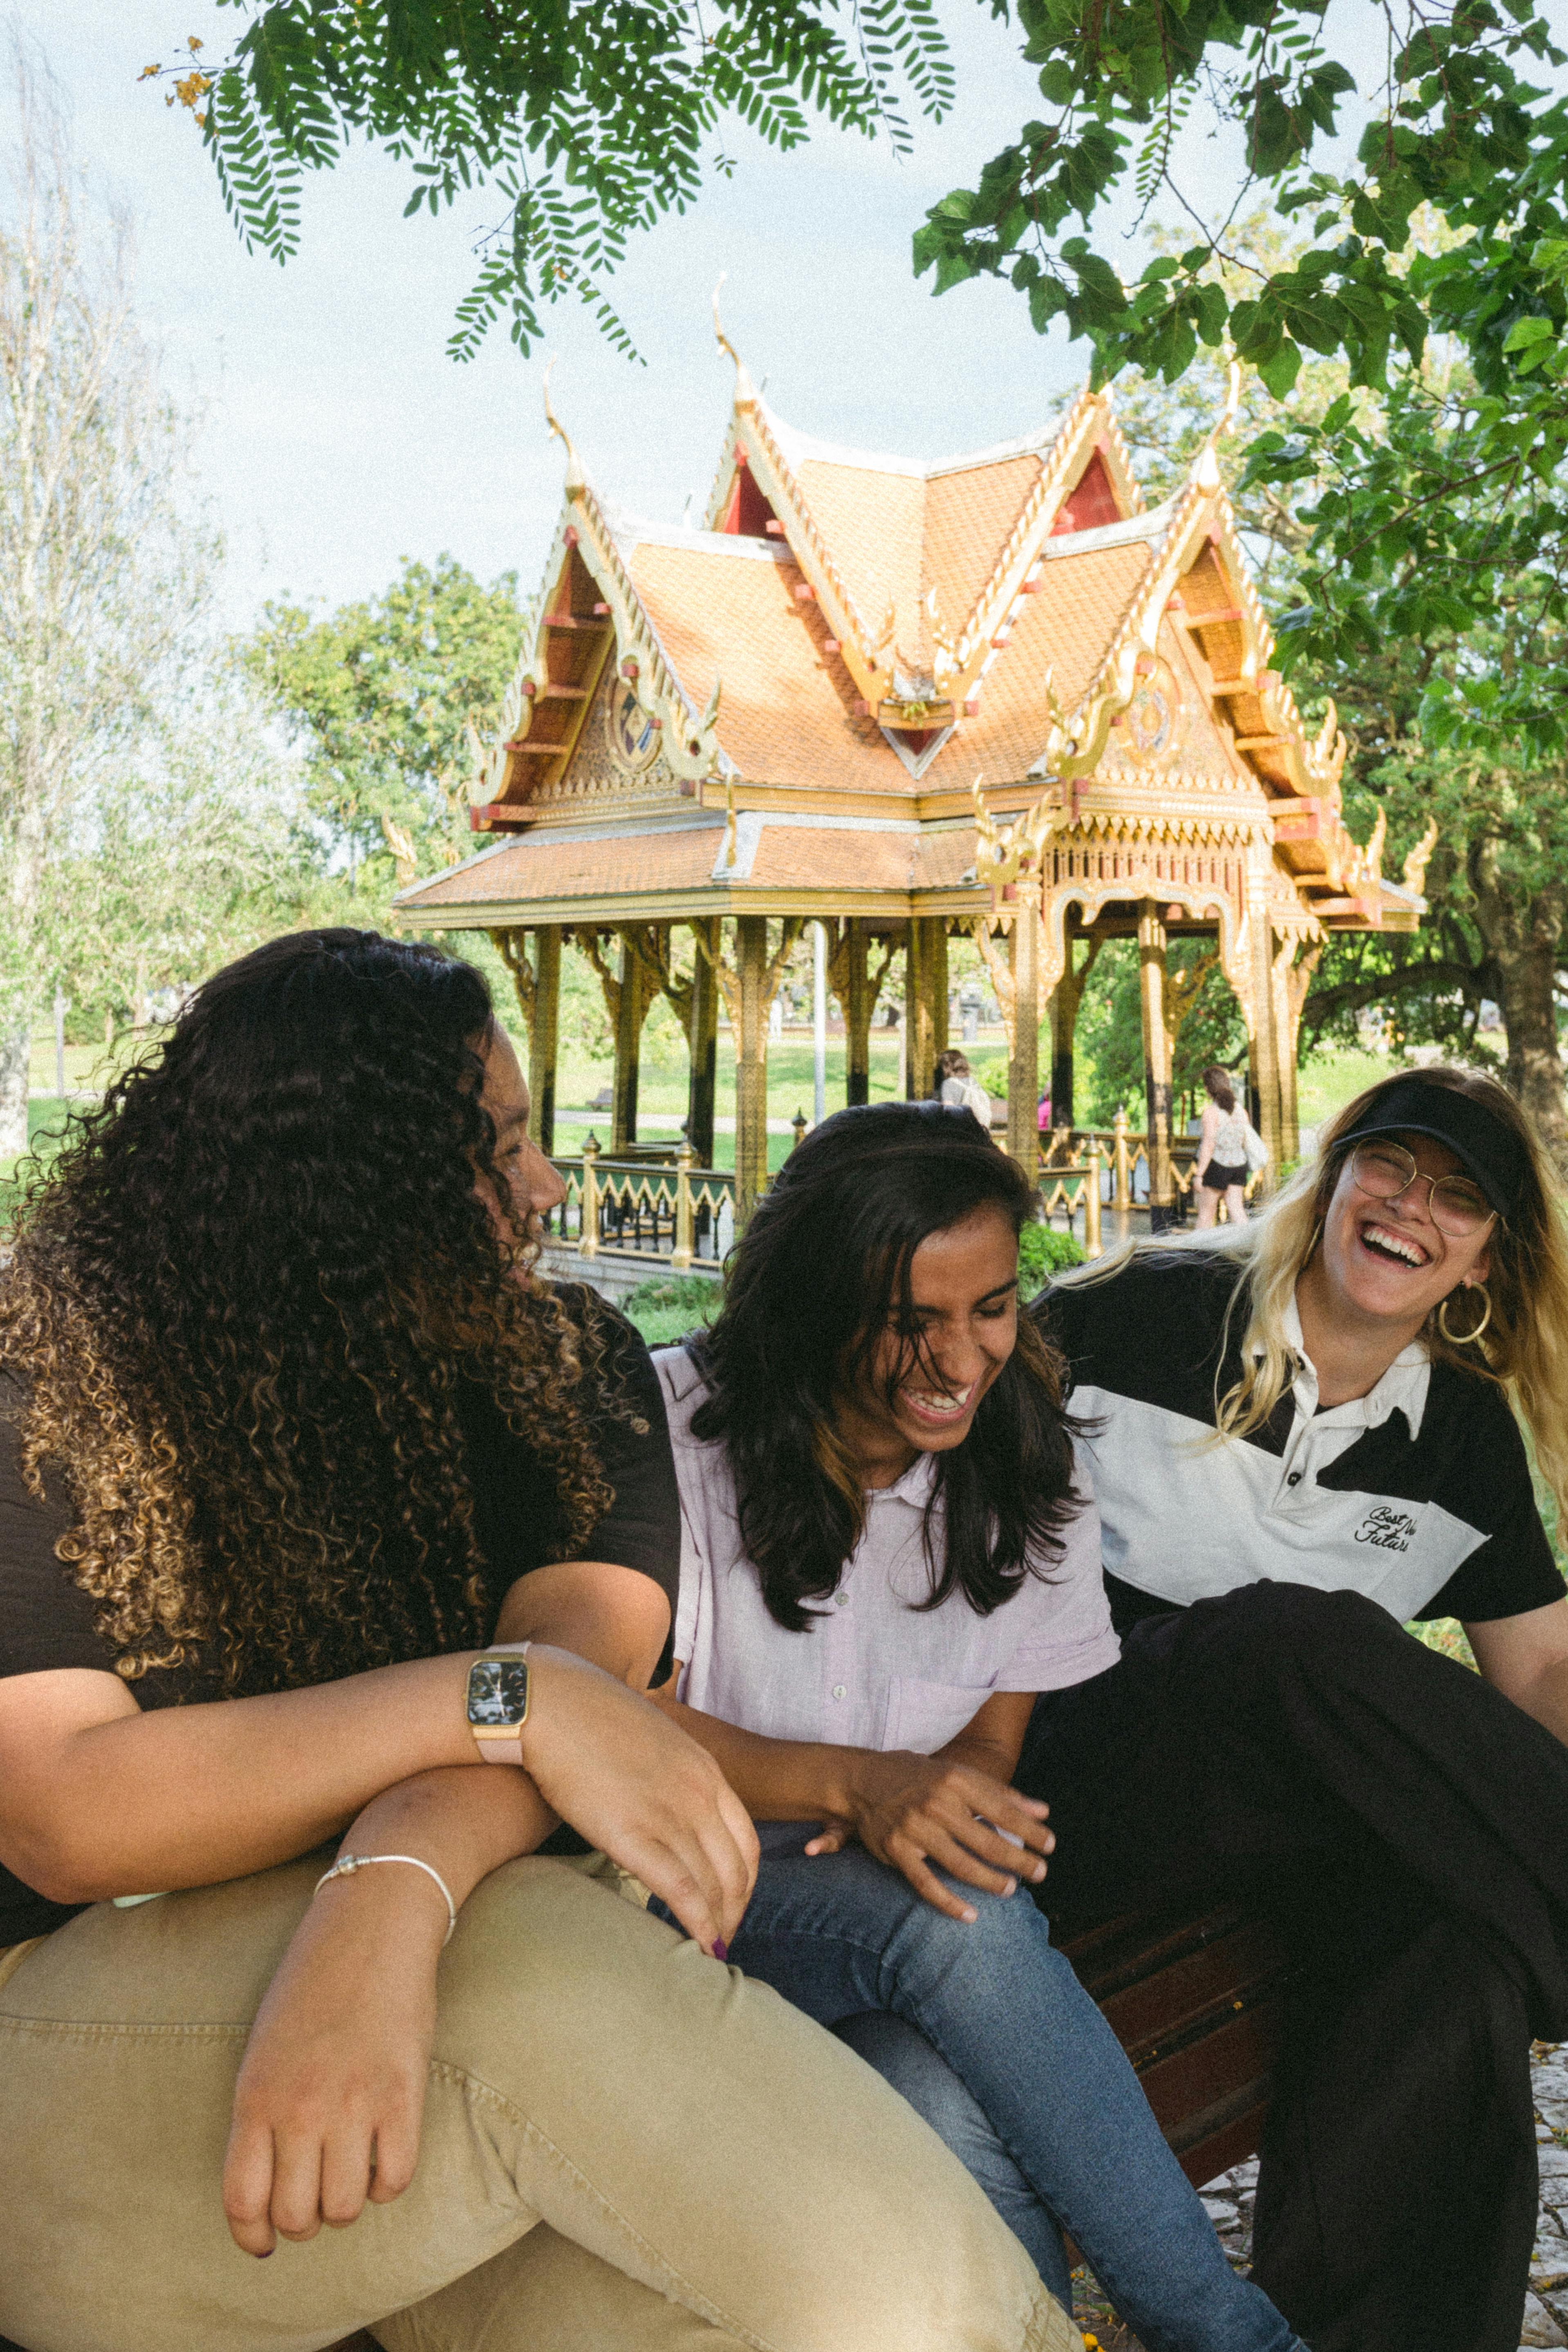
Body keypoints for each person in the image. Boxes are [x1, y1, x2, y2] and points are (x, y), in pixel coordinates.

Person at [0, 930, 1070, 2352]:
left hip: (413, 2027)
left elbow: (585, 1694)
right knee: (533, 1975)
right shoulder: (65, 1381)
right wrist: (493, 1700)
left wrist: (385, 1893)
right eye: (494, 1150)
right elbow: (69, 1814)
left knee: (702, 2313)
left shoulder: (563, 1366)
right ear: (334, 1197)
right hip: (81, 2068)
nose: (546, 1186)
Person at [647, 1102, 1308, 2352]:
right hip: (678, 1897)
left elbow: (980, 1771)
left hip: (884, 1933)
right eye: (909, 1320)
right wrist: (857, 1791)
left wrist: (902, 1811)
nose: (958, 1359)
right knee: (950, 1914)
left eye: (991, 1308)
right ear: (810, 1302)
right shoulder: (675, 1430)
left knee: (924, 2079)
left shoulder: (1029, 1466)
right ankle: (1228, 2335)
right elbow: (624, 1722)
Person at [1021, 1063, 1568, 2352]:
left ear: (1486, 1256)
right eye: (1391, 1165)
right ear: (1332, 1177)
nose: (1409, 1208)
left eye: (1458, 1198)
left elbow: (1540, 1674)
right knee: (1298, 1637)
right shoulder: (1140, 1309)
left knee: (1457, 1953)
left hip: (1273, 1834)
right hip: (1069, 1773)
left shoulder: (1461, 1433)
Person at [1192, 1064, 1252, 1228]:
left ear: (1208, 1088)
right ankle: (1247, 1246)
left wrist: (1199, 1174)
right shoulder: (1241, 1111)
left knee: (1206, 1214)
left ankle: (1199, 1252)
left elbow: (1209, 1144)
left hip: (1218, 1165)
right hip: (1239, 1165)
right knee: (1237, 1211)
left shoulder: (1211, 1113)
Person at [934, 1046, 993, 1133]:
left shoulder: (948, 1084)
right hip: (977, 1130)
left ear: (945, 1067)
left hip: (960, 1133)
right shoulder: (972, 1082)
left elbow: (949, 1112)